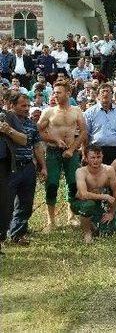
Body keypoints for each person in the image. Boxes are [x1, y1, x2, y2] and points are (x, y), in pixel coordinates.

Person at [37, 80, 87, 231]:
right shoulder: (48, 112)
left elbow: (83, 132)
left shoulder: (76, 111)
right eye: (54, 92)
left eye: (58, 92)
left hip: (71, 153)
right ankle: (51, 221)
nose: (55, 95)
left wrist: (72, 149)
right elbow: (37, 131)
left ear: (68, 93)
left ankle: (71, 216)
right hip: (53, 152)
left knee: (72, 184)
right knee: (51, 184)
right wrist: (54, 139)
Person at [5, 93, 45, 245]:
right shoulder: (4, 122)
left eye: (28, 105)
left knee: (25, 202)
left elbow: (37, 146)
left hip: (28, 167)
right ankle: (4, 232)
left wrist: (43, 166)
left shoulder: (31, 124)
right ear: (11, 105)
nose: (27, 109)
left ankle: (18, 234)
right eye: (23, 106)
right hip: (9, 168)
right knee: (6, 202)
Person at [72, 146, 116, 243]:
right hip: (81, 202)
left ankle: (92, 222)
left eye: (98, 157)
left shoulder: (109, 170)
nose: (96, 160)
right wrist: (104, 196)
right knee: (88, 205)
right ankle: (87, 232)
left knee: (107, 231)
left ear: (102, 157)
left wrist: (111, 213)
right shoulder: (81, 171)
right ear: (86, 158)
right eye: (92, 157)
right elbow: (83, 194)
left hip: (99, 202)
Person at [0, 96, 28, 252]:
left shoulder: (8, 116)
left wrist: (8, 130)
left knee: (4, 204)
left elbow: (24, 140)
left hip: (4, 166)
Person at [84, 84, 116, 164]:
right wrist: (84, 153)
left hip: (115, 150)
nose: (105, 93)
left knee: (114, 175)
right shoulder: (89, 113)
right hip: (96, 151)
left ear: (112, 95)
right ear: (98, 95)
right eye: (103, 91)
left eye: (108, 91)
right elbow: (85, 134)